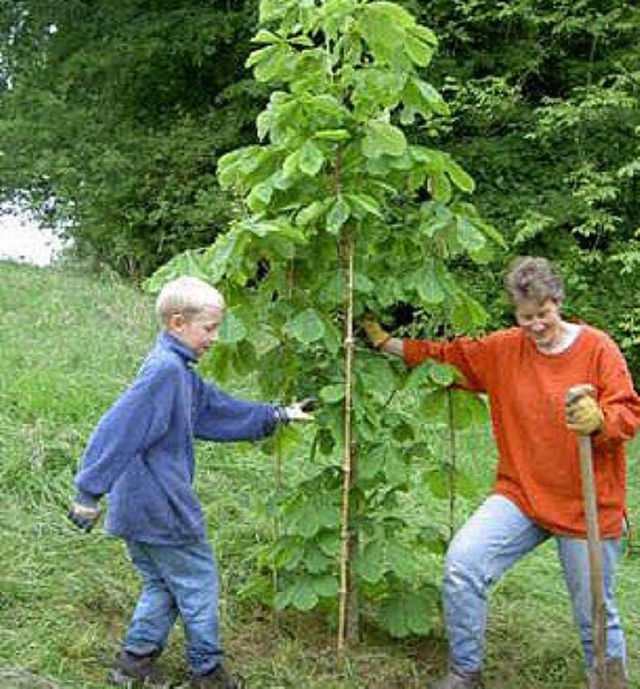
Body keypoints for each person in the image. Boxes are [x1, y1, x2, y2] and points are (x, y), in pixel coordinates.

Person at [363, 256, 640, 689]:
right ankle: (464, 672)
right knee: (463, 564)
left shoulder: (598, 348)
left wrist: (602, 419)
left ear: (557, 302)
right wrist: (386, 343)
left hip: (587, 505)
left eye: (543, 314)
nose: (536, 325)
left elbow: (628, 414)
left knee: (595, 613)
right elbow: (445, 357)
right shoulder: (504, 349)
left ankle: (608, 683)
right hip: (522, 494)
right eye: (526, 316)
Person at [67, 276, 314, 689]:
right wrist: (88, 492)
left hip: (137, 507)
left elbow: (214, 409)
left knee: (161, 585)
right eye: (210, 328)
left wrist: (278, 415)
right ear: (178, 322)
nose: (215, 338)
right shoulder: (164, 372)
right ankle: (208, 672)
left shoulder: (177, 370)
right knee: (198, 582)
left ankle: (134, 664)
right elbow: (118, 428)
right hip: (162, 506)